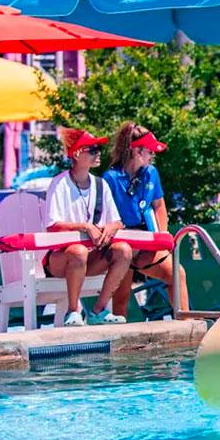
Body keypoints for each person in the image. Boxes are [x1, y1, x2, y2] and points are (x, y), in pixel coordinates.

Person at [43, 128, 132, 326]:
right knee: (78, 251)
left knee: (124, 251)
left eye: (98, 149)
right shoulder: (59, 184)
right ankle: (73, 311)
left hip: (91, 256)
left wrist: (112, 226)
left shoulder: (101, 185)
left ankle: (98, 311)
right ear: (76, 154)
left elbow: (117, 220)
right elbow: (52, 225)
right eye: (92, 149)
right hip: (60, 260)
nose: (98, 153)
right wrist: (85, 226)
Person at [103, 122, 187, 316]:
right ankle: (119, 338)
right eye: (149, 151)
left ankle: (187, 324)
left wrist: (162, 238)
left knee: (177, 274)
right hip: (121, 245)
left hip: (145, 242)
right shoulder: (111, 178)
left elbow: (159, 206)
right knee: (122, 298)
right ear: (136, 151)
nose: (153, 155)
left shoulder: (151, 173)